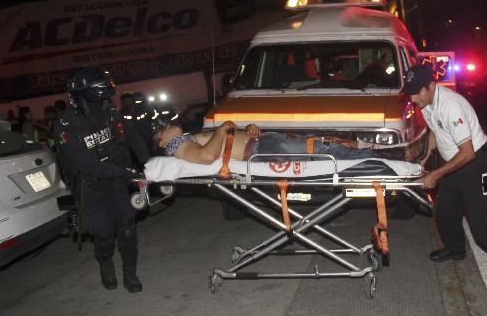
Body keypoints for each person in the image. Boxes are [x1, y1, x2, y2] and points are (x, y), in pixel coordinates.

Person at [401, 65, 487, 296]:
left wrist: (436, 174)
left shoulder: (451, 106)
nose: (412, 98)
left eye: (416, 92)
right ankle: (455, 249)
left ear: (431, 86)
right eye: (409, 93)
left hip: (478, 167)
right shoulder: (426, 102)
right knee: (445, 212)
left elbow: (468, 153)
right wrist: (426, 158)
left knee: (485, 226)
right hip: (455, 167)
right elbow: (434, 132)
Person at [53, 65, 151, 293]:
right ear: (79, 98)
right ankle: (106, 265)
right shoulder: (64, 124)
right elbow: (83, 164)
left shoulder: (112, 114)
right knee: (104, 235)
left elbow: (134, 139)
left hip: (115, 182)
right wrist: (125, 172)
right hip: (90, 187)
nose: (101, 104)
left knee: (127, 228)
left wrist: (150, 165)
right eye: (96, 100)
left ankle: (130, 273)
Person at [153, 123, 389, 164]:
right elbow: (206, 157)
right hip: (262, 150)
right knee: (327, 151)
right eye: (161, 131)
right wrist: (224, 129)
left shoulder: (187, 139)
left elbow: (224, 144)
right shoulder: (179, 148)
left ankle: (379, 153)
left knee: (325, 144)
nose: (164, 127)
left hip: (263, 142)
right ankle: (381, 159)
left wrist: (248, 130)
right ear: (163, 144)